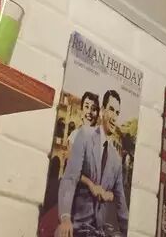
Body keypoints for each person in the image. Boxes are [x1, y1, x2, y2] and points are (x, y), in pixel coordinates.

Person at [56, 90, 129, 237]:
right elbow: (70, 178)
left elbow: (121, 200)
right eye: (111, 110)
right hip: (77, 226)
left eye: (117, 113)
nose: (114, 117)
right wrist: (65, 218)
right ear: (102, 111)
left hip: (100, 231)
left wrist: (128, 230)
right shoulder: (84, 135)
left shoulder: (116, 159)